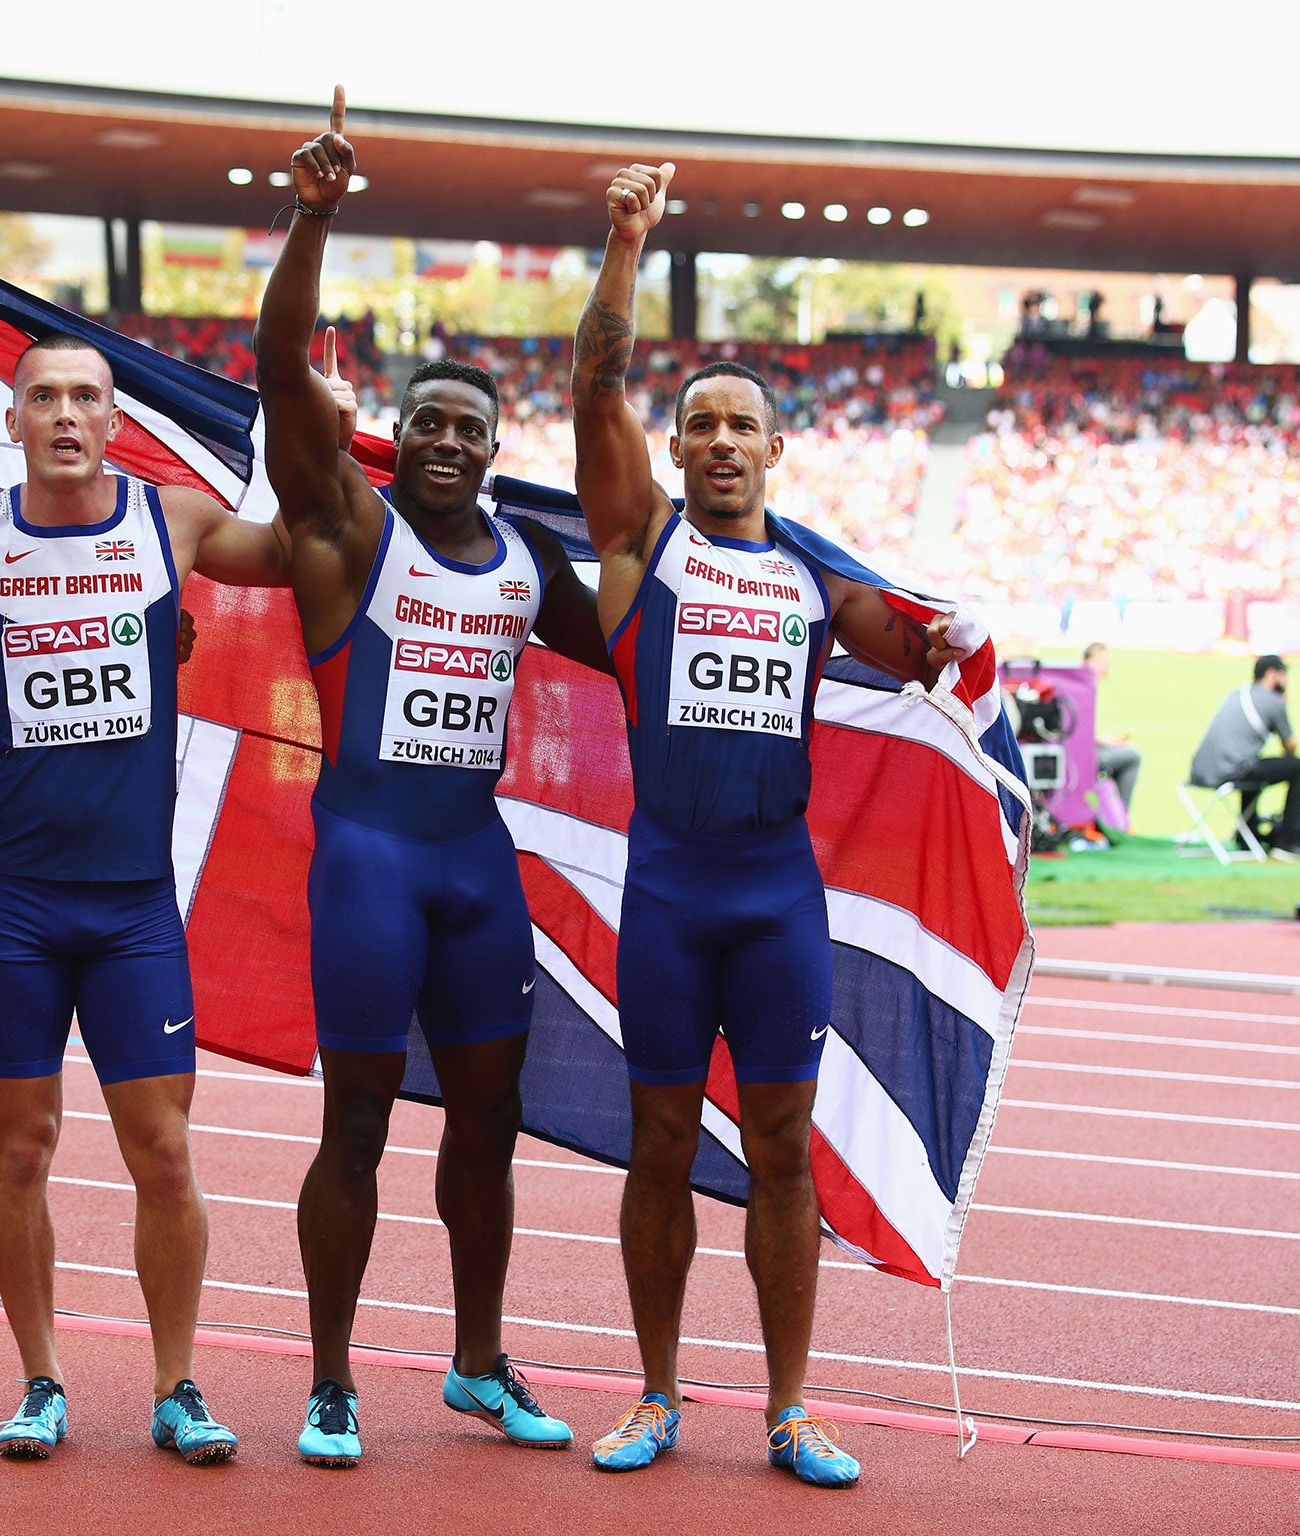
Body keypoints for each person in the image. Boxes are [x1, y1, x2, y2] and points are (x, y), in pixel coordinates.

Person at [570, 161, 977, 1487]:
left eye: (746, 425)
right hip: (672, 894)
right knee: (662, 1143)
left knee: (789, 1146)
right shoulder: (639, 547)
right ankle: (653, 1392)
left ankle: (791, 1408)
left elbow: (906, 647)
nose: (727, 442)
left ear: (775, 448)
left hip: (774, 897)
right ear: (679, 450)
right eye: (705, 426)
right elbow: (593, 387)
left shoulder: (813, 571)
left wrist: (954, 638)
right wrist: (627, 243)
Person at [0, 329, 305, 1464]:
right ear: (11, 421)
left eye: (85, 398)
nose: (64, 414)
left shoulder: (175, 522)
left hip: (130, 907)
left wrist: (314, 424)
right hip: (11, 899)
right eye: (43, 397)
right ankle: (41, 1379)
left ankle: (176, 1385)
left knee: (161, 1152)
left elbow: (306, 549)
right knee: (20, 1148)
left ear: (113, 421)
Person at [255, 88, 613, 1469]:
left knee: (490, 1127)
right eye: (430, 425)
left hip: (475, 868)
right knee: (353, 1129)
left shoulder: (530, 563)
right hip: (367, 865)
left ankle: (476, 1362)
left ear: (496, 448)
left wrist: (860, 638)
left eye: (472, 427)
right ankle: (333, 1378)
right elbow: (285, 368)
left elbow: (661, 638)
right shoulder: (348, 531)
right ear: (397, 442)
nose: (451, 441)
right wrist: (316, 215)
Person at [1189, 655, 1298, 855]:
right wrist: (1283, 701)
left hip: (1202, 770)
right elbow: (1290, 746)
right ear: (1272, 674)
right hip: (1231, 771)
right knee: (1295, 766)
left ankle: (1248, 836)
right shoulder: (1273, 701)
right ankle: (1289, 842)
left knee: (1255, 767)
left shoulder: (1237, 693)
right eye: (1284, 674)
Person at [1082, 642, 1141, 827]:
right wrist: (1104, 741)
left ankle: (1116, 819)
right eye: (1100, 661)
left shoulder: (1084, 687)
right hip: (1082, 758)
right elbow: (1079, 733)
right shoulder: (1082, 689)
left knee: (1127, 753)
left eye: (1107, 661)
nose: (1104, 666)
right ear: (1086, 661)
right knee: (1132, 757)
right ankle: (1121, 821)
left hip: (1082, 752)